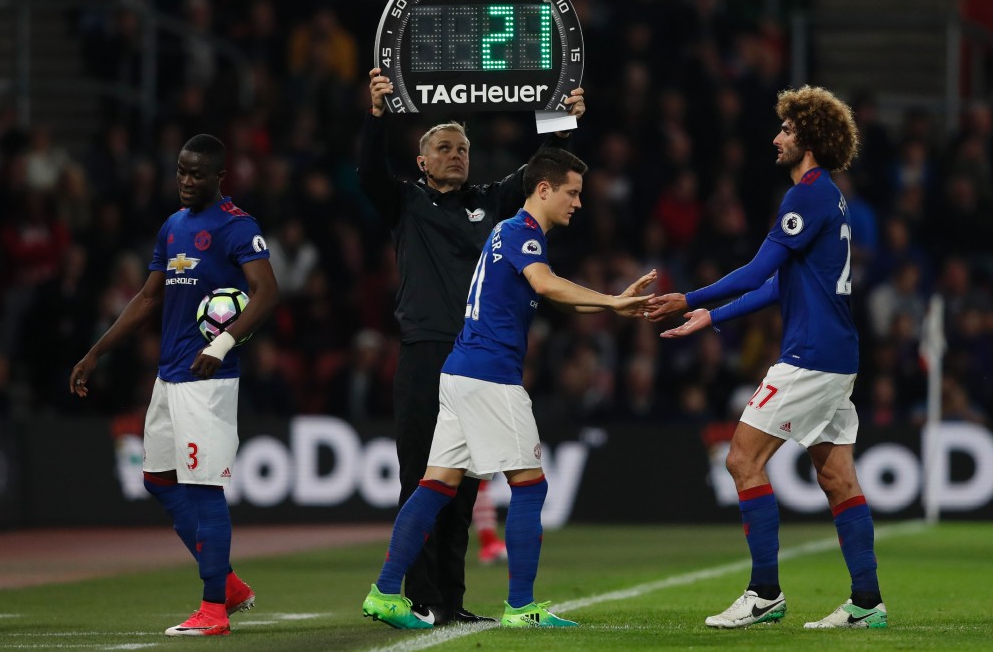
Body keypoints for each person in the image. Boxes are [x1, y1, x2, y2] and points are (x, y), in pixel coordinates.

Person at [362, 148, 656, 629]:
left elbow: (557, 297)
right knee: (530, 487)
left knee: (436, 485)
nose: (578, 203)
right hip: (490, 376)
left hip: (460, 372)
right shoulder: (522, 232)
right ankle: (521, 606)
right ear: (543, 190)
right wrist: (610, 300)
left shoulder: (505, 234)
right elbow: (546, 285)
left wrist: (613, 305)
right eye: (572, 192)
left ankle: (385, 591)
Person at [647, 85, 887, 630]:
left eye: (786, 130)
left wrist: (690, 296)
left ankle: (764, 593)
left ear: (809, 139)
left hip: (811, 357)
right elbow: (780, 285)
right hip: (836, 353)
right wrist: (715, 316)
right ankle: (868, 602)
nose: (776, 137)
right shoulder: (831, 197)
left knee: (741, 459)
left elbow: (757, 271)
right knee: (837, 479)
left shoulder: (806, 195)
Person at [357, 67, 586, 625]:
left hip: (472, 355)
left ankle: (449, 603)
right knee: (423, 478)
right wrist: (377, 116)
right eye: (442, 147)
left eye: (462, 147)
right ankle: (416, 597)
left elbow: (542, 178)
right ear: (421, 160)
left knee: (459, 489)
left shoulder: (490, 203)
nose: (455, 154)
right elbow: (368, 173)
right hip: (424, 352)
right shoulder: (405, 203)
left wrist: (562, 117)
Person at [69, 134, 279, 637]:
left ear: (219, 177)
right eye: (181, 171)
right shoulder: (173, 227)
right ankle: (226, 585)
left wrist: (221, 345)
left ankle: (213, 611)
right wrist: (96, 352)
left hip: (207, 379)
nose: (186, 181)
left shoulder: (237, 227)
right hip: (169, 378)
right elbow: (147, 298)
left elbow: (268, 293)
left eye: (197, 174)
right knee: (159, 480)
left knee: (205, 489)